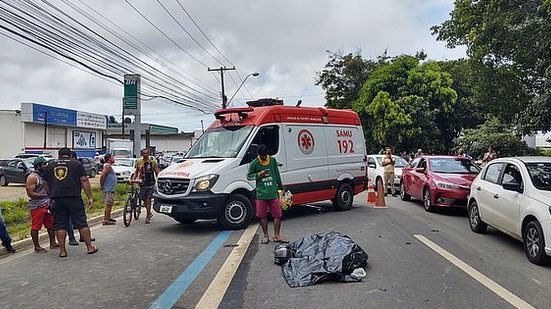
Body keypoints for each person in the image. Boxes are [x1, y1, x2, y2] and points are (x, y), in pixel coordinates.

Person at [42, 147, 98, 258]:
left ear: (59, 155)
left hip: (57, 198)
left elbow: (44, 181)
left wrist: (50, 193)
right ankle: (89, 247)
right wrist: (90, 197)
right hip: (74, 197)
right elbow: (84, 180)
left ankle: (62, 251)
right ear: (70, 155)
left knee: (60, 225)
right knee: (81, 222)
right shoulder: (76, 164)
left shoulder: (51, 165)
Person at [247, 145, 287, 244]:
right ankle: (265, 236)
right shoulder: (254, 164)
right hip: (261, 194)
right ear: (258, 155)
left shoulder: (272, 161)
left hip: (273, 193)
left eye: (265, 155)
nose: (264, 158)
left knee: (278, 214)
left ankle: (277, 236)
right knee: (262, 216)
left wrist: (281, 187)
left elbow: (276, 174)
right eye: (262, 156)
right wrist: (259, 174)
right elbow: (249, 176)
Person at [25, 157, 58, 253]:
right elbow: (30, 193)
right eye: (44, 164)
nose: (46, 166)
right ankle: (37, 246)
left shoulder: (44, 176)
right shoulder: (32, 177)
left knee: (51, 225)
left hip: (47, 205)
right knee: (36, 226)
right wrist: (44, 195)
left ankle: (53, 242)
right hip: (37, 206)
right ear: (38, 166)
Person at [133, 148, 159, 224]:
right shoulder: (139, 162)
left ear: (149, 154)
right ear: (142, 154)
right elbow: (136, 172)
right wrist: (134, 179)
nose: (145, 155)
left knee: (148, 199)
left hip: (150, 183)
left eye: (146, 153)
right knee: (143, 199)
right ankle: (149, 212)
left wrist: (159, 180)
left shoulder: (152, 162)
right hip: (142, 183)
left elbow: (157, 172)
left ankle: (147, 217)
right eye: (144, 153)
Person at [99, 154, 116, 225]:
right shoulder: (107, 166)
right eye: (112, 157)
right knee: (108, 204)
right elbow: (103, 175)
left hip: (110, 188)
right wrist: (102, 185)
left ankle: (108, 217)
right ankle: (106, 219)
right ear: (109, 159)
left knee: (110, 203)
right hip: (108, 188)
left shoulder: (109, 166)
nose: (114, 158)